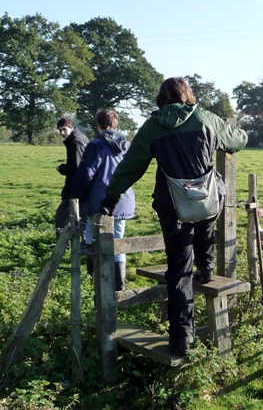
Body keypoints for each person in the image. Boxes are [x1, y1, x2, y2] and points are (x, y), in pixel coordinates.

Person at [100, 77, 247, 356]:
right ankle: (205, 269)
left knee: (178, 270)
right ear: (188, 95)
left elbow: (132, 166)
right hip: (205, 199)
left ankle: (181, 338)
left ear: (162, 99)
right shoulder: (206, 118)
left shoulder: (152, 126)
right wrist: (229, 134)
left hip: (171, 203)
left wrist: (111, 196)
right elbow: (238, 140)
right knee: (206, 228)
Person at [70, 110, 136, 291]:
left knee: (91, 233)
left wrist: (76, 192)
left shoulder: (96, 145)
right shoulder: (127, 145)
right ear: (115, 124)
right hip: (122, 198)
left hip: (100, 199)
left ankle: (96, 279)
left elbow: (87, 173)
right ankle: (119, 285)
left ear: (98, 124)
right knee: (117, 239)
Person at [55, 117, 89, 240]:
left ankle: (62, 246)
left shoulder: (75, 142)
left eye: (64, 129)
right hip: (83, 186)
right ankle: (86, 246)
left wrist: (62, 168)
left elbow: (76, 167)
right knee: (82, 218)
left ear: (71, 127)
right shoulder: (80, 137)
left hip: (76, 187)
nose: (62, 133)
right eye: (59, 130)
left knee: (61, 217)